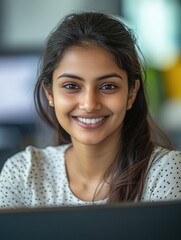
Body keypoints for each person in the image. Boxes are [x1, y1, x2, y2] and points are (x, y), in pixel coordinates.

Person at [0, 12, 181, 209]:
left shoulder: (166, 171)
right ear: (50, 93)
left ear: (131, 93)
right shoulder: (21, 173)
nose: (89, 104)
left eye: (107, 86)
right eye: (71, 86)